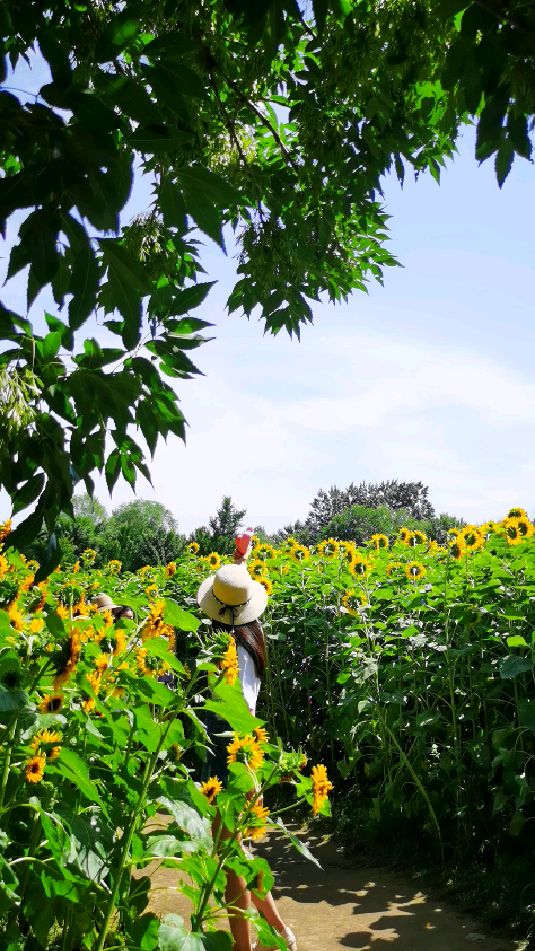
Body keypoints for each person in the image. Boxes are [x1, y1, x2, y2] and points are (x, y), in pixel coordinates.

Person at [196, 558, 297, 951]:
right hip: (245, 757)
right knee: (238, 855)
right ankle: (275, 935)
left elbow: (230, 716)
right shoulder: (248, 643)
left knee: (230, 860)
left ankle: (251, 943)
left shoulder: (230, 657)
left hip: (230, 757)